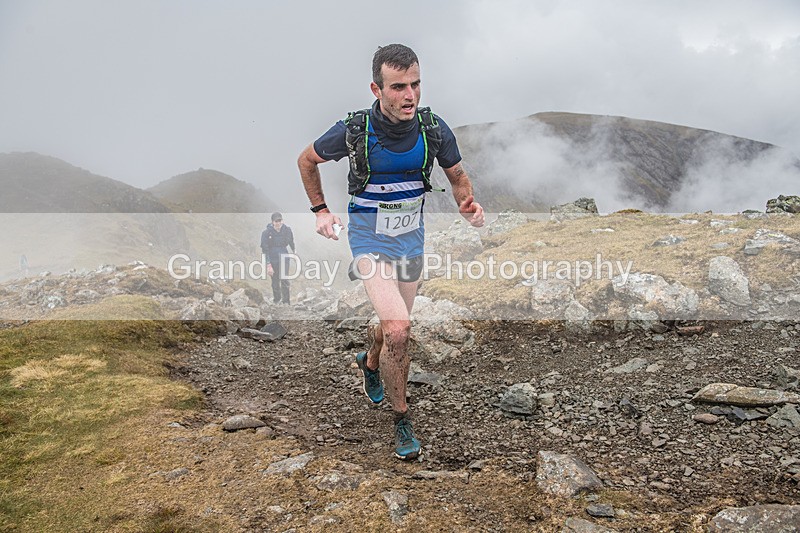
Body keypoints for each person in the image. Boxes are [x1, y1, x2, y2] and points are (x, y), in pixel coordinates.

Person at [297, 44, 484, 460]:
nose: (410, 95)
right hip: (368, 240)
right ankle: (402, 421)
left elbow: (457, 175)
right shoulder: (355, 130)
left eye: (415, 84)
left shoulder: (433, 129)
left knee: (391, 328)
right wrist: (321, 211)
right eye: (398, 86)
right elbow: (306, 161)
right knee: (400, 329)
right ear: (377, 89)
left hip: (410, 241)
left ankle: (370, 360)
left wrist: (467, 203)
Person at [260, 212, 295, 305]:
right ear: (272, 222)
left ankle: (286, 301)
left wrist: (294, 251)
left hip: (284, 257)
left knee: (284, 279)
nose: (278, 223)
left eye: (280, 221)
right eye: (276, 221)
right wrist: (268, 264)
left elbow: (291, 241)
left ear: (282, 221)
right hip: (272, 258)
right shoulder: (266, 233)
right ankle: (277, 300)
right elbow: (265, 249)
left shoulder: (287, 230)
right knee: (275, 280)